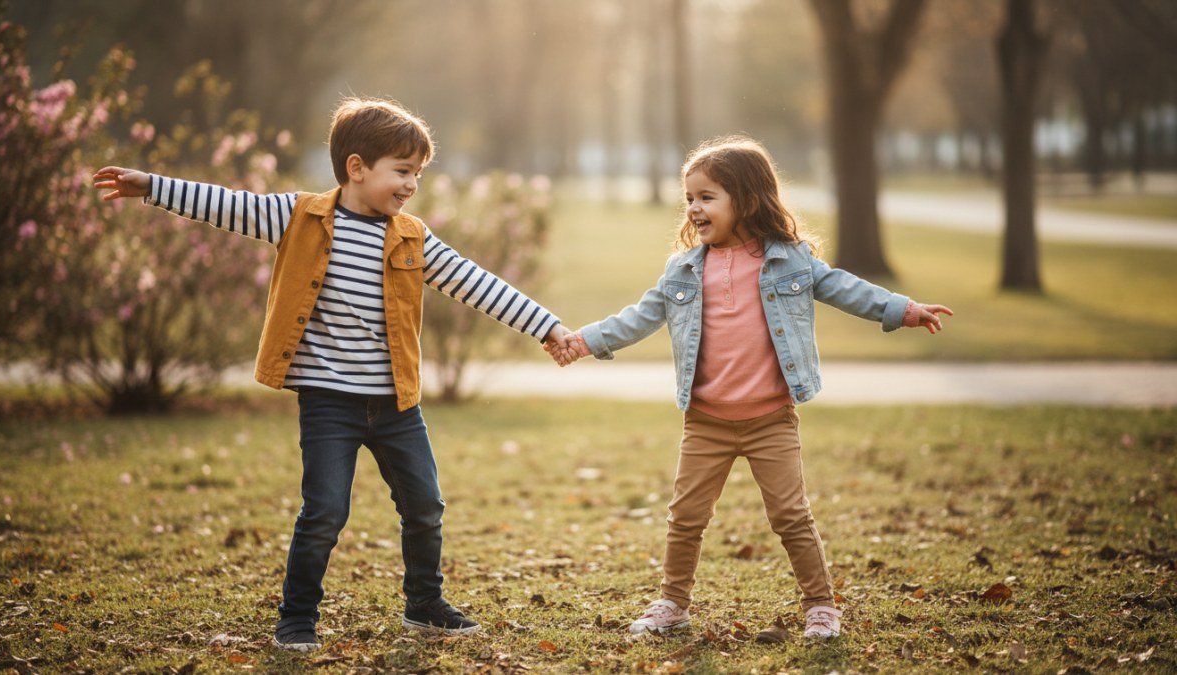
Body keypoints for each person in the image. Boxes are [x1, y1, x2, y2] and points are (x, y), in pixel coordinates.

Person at [94, 97, 572, 651]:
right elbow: (225, 204)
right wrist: (150, 185)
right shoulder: (299, 217)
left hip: (396, 404)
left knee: (424, 505)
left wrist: (547, 326)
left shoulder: (412, 237)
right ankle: (296, 618)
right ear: (356, 168)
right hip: (329, 405)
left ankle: (424, 603)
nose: (412, 184)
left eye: (418, 172)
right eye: (402, 171)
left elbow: (477, 282)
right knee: (324, 511)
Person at [547, 136, 952, 641]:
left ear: (748, 199)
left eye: (707, 196)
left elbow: (846, 287)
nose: (694, 207)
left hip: (770, 421)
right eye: (690, 197)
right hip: (707, 421)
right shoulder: (685, 270)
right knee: (686, 516)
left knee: (790, 514)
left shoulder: (790, 261)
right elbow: (639, 317)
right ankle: (672, 603)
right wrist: (583, 341)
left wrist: (902, 309)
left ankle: (821, 606)